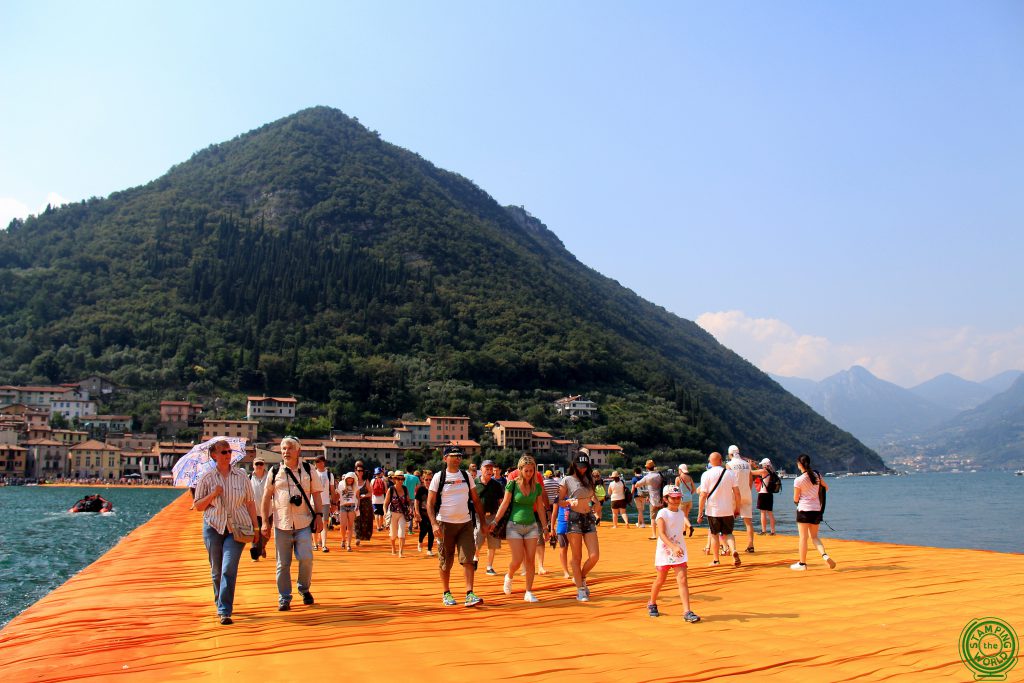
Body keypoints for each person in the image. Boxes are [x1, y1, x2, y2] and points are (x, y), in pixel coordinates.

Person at [193, 438, 259, 625]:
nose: (228, 455)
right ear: (214, 455)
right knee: (216, 570)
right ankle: (220, 601)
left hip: (236, 527)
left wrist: (256, 528)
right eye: (223, 452)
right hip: (213, 527)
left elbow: (250, 503)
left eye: (229, 451)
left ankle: (225, 610)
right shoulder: (206, 478)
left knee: (228, 567)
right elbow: (198, 506)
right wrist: (213, 494)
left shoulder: (241, 476)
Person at [260, 437, 325, 611]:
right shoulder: (274, 472)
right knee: (283, 563)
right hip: (282, 524)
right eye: (283, 449)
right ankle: (284, 597)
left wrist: (319, 516)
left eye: (289, 448)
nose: (285, 452)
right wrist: (265, 521)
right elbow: (266, 498)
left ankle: (304, 589)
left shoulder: (308, 470)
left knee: (306, 558)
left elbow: (317, 495)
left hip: (303, 522)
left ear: (298, 451)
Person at [426, 447, 489, 607]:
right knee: (446, 561)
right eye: (454, 456)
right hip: (444, 524)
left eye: (459, 456)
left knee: (468, 559)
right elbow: (430, 503)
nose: (457, 459)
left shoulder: (466, 476)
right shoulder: (438, 477)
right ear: (445, 458)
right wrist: (433, 524)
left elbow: (476, 500)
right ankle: (446, 593)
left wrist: (482, 523)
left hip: (465, 524)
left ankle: (469, 594)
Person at [492, 455, 549, 603]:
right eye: (527, 470)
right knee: (517, 560)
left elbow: (541, 509)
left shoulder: (537, 487)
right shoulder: (512, 484)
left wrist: (545, 527)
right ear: (520, 470)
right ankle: (509, 575)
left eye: (532, 470)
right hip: (514, 526)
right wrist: (495, 521)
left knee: (530, 560)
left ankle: (529, 591)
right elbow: (504, 504)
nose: (529, 473)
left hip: (531, 526)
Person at [647, 485, 700, 623]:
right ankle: (652, 602)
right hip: (665, 551)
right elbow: (662, 534)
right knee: (661, 580)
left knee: (682, 580)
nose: (676, 500)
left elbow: (682, 520)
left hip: (679, 550)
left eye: (678, 498)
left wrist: (688, 526)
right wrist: (673, 546)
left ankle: (687, 611)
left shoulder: (681, 513)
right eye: (673, 498)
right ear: (666, 499)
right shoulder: (662, 514)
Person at [557, 452, 600, 602]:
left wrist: (594, 504)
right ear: (574, 465)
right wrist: (569, 502)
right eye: (580, 467)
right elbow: (559, 501)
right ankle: (580, 590)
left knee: (594, 556)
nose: (582, 469)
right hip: (574, 518)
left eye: (584, 467)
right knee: (577, 557)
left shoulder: (589, 479)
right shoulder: (567, 480)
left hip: (588, 518)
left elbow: (591, 498)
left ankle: (581, 577)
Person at [791, 453, 837, 571]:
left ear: (800, 464)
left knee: (803, 538)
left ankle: (802, 564)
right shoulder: (817, 475)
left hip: (804, 511)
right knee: (815, 537)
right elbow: (826, 487)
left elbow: (795, 499)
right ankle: (825, 555)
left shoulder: (798, 480)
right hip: (816, 510)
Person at [696, 451, 741, 567]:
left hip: (713, 510)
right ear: (721, 461)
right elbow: (737, 493)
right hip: (728, 509)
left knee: (714, 534)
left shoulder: (706, 475)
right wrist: (737, 508)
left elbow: (702, 495)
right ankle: (733, 550)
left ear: (710, 462)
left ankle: (716, 560)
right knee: (729, 533)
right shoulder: (730, 474)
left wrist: (700, 512)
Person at [474, 460, 504, 575]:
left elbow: (501, 502)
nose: (489, 471)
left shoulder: (496, 485)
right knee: (477, 540)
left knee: (493, 543)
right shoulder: (474, 483)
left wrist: (499, 518)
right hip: (478, 517)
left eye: (491, 469)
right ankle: (475, 558)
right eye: (487, 468)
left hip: (493, 516)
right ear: (481, 470)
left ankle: (489, 567)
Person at [727, 445, 756, 554]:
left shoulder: (729, 465)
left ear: (730, 454)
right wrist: (748, 490)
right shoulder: (747, 465)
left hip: (734, 495)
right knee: (748, 522)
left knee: (728, 521)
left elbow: (728, 481)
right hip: (746, 494)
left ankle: (726, 546)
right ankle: (751, 545)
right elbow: (750, 480)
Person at [385, 471, 413, 557]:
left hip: (402, 514)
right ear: (394, 479)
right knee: (393, 534)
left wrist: (411, 508)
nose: (400, 481)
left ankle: (401, 552)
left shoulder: (405, 489)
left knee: (401, 533)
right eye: (398, 479)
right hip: (393, 513)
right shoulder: (391, 489)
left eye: (402, 479)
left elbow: (409, 501)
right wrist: (385, 513)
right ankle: (393, 548)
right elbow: (385, 503)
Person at [637, 459, 666, 539]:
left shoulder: (647, 477)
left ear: (647, 468)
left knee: (653, 518)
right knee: (663, 517)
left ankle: (654, 535)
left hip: (653, 500)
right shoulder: (659, 475)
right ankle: (664, 533)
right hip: (661, 499)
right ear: (654, 467)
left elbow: (637, 484)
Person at [312, 456, 336, 552]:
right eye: (317, 462)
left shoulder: (329, 475)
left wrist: (334, 503)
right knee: (314, 523)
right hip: (313, 501)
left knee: (324, 523)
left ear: (324, 462)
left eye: (321, 462)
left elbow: (332, 490)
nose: (319, 463)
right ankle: (315, 544)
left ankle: (324, 544)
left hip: (325, 501)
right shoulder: (313, 474)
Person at [249, 458, 270, 561]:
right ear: (253, 465)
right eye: (256, 464)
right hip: (254, 511)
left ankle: (262, 547)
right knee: (255, 532)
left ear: (264, 465)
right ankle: (255, 555)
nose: (259, 465)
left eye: (261, 463)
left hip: (268, 511)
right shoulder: (249, 478)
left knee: (266, 534)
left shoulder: (270, 477)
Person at [751, 458, 777, 535]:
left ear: (764, 465)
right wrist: (754, 465)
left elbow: (751, 472)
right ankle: (773, 531)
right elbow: (759, 471)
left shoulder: (763, 471)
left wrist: (750, 465)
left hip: (763, 494)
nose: (761, 465)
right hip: (769, 494)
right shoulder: (772, 471)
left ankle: (764, 531)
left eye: (762, 464)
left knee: (762, 513)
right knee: (770, 513)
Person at [353, 460, 374, 545]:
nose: (360, 472)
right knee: (356, 520)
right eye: (358, 471)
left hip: (365, 503)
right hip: (356, 503)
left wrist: (364, 496)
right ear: (355, 471)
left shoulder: (366, 481)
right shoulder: (353, 481)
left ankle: (364, 536)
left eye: (361, 471)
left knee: (365, 520)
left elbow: (370, 492)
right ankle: (357, 537)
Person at [336, 472, 358, 551]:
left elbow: (357, 496)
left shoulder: (355, 486)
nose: (350, 480)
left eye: (351, 479)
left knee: (350, 526)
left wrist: (357, 506)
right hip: (343, 506)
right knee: (342, 525)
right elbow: (338, 494)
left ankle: (349, 544)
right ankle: (343, 539)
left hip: (351, 506)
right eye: (348, 478)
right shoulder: (341, 485)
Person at [549, 499, 571, 578]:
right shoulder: (557, 499)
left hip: (574, 527)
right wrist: (552, 528)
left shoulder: (574, 496)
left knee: (576, 549)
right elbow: (554, 514)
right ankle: (566, 571)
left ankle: (575, 568)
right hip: (562, 527)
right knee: (563, 548)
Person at [414, 469, 434, 555]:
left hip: (432, 513)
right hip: (423, 513)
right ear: (423, 479)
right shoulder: (420, 489)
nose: (428, 481)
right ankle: (420, 541)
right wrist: (417, 513)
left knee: (431, 530)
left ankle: (429, 549)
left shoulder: (434, 489)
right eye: (426, 479)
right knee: (424, 530)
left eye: (430, 479)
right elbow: (416, 501)